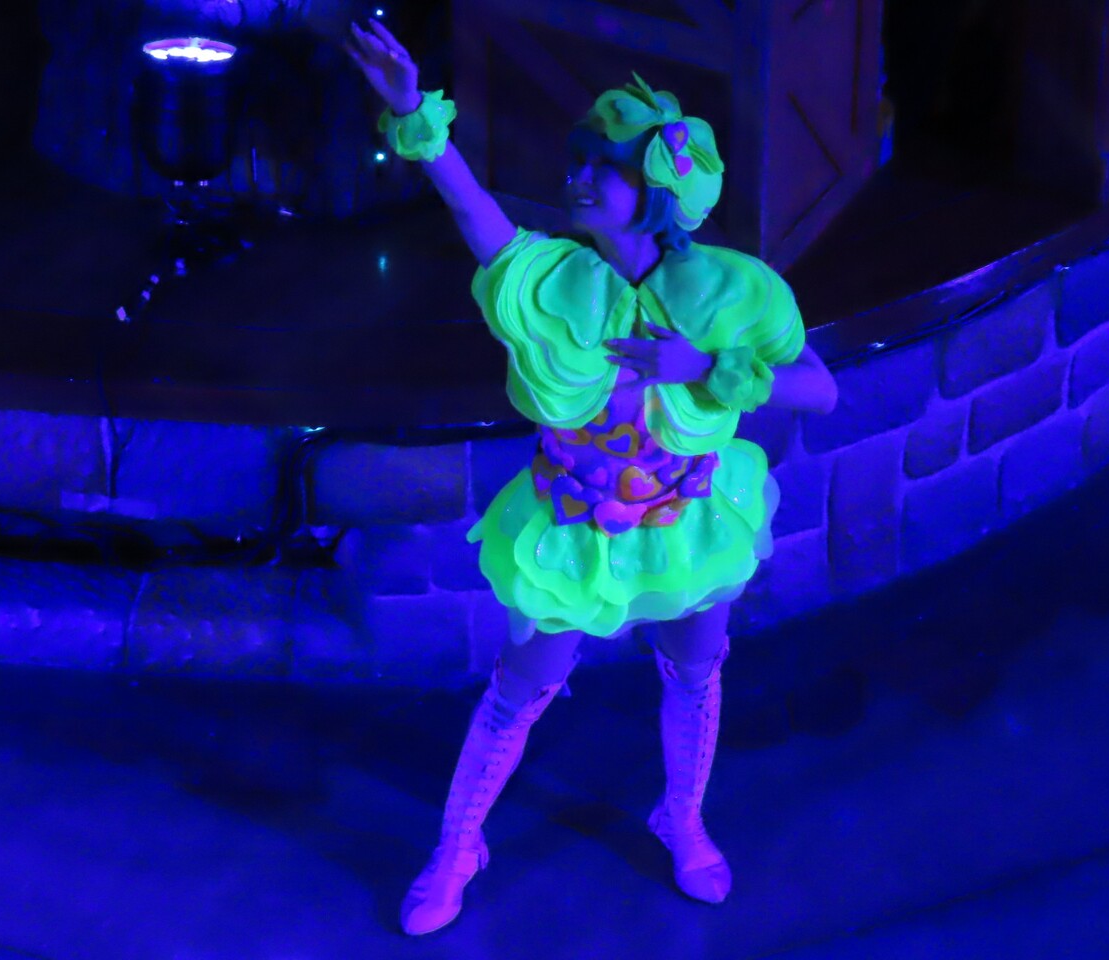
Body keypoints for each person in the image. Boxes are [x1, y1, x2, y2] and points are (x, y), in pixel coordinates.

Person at [345, 18, 838, 937]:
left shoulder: (732, 290)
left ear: (655, 191)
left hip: (686, 518)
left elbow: (820, 388)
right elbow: (475, 217)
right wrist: (416, 116)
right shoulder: (559, 278)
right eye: (577, 160)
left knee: (695, 670)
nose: (576, 177)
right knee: (520, 686)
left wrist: (706, 367)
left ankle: (681, 817)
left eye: (600, 168)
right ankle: (457, 845)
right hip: (575, 527)